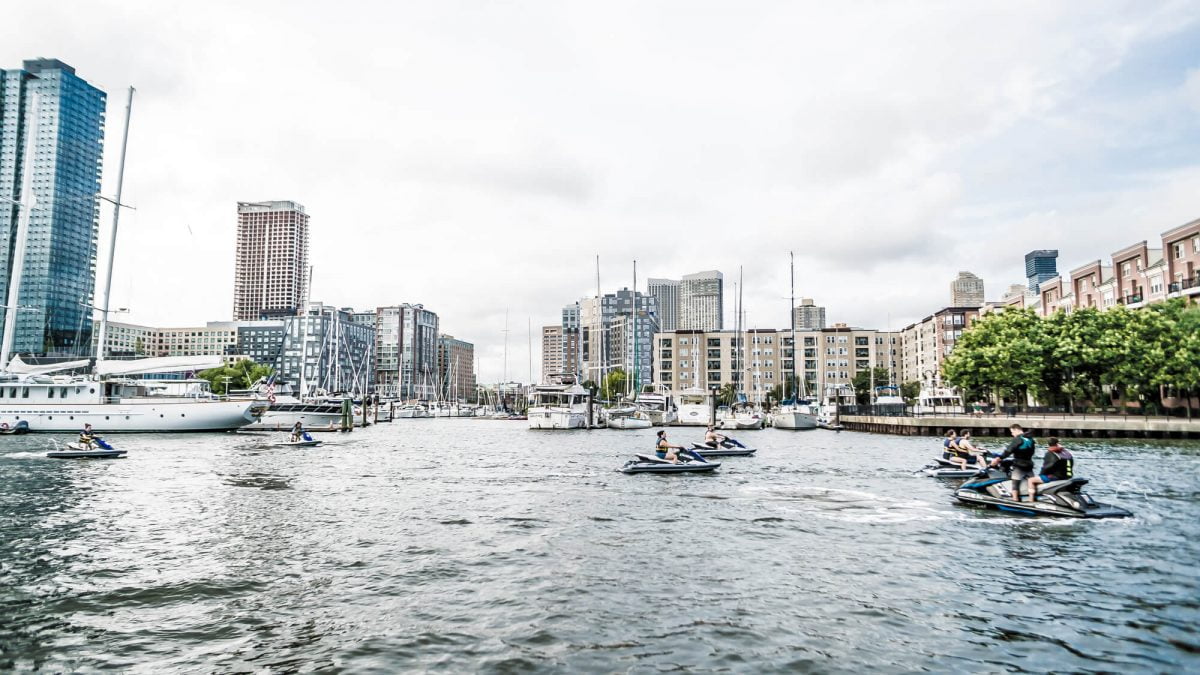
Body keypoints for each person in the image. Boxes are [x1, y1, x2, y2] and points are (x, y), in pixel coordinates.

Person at [991, 424, 1037, 502]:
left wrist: (999, 458)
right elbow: (1032, 451)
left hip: (1019, 464)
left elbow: (1009, 450)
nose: (1012, 434)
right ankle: (1031, 500)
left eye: (1012, 432)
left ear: (1016, 430)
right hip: (1029, 464)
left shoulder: (1018, 439)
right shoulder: (1030, 439)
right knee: (1031, 482)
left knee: (1015, 483)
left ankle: (1015, 499)